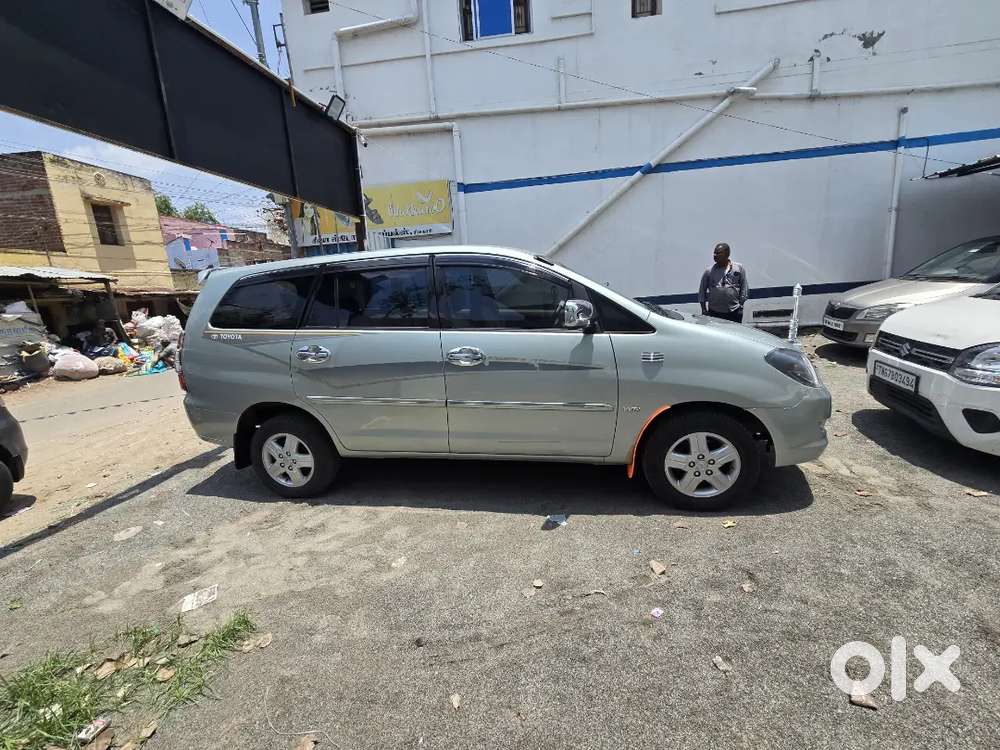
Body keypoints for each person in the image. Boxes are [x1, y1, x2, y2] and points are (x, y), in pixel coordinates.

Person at [698, 243, 749, 323]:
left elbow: (744, 287)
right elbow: (702, 291)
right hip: (714, 312)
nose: (715, 255)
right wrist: (704, 309)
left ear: (727, 254)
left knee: (733, 334)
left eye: (718, 253)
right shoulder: (709, 271)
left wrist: (741, 306)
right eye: (714, 253)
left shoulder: (738, 268)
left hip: (734, 311)